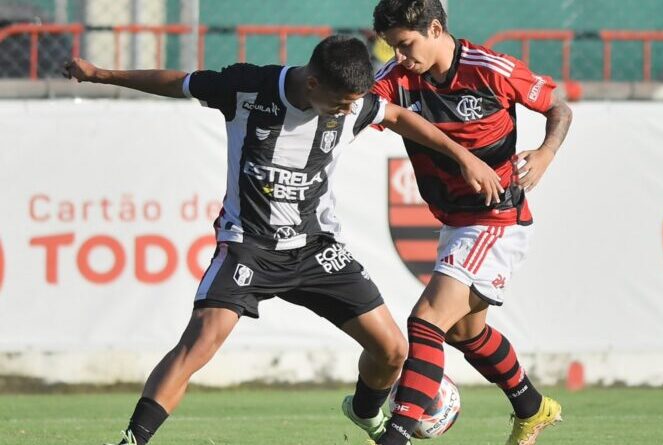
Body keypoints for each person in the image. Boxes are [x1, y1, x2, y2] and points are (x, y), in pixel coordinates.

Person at [63, 35, 504, 445]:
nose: (346, 111)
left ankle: (367, 415)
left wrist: (463, 156)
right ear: (312, 82)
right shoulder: (246, 88)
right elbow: (177, 82)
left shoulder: (351, 106)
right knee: (200, 342)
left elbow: (399, 116)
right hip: (249, 245)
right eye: (339, 103)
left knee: (391, 351)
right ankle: (132, 439)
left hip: (317, 248)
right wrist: (101, 74)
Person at [364, 1, 573, 444]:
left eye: (405, 44)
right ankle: (532, 408)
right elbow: (357, 105)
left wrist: (545, 153)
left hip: (497, 217)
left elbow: (560, 108)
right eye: (392, 48)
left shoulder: (490, 69)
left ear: (435, 28)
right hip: (455, 221)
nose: (400, 57)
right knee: (465, 332)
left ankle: (396, 433)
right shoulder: (397, 80)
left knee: (426, 321)